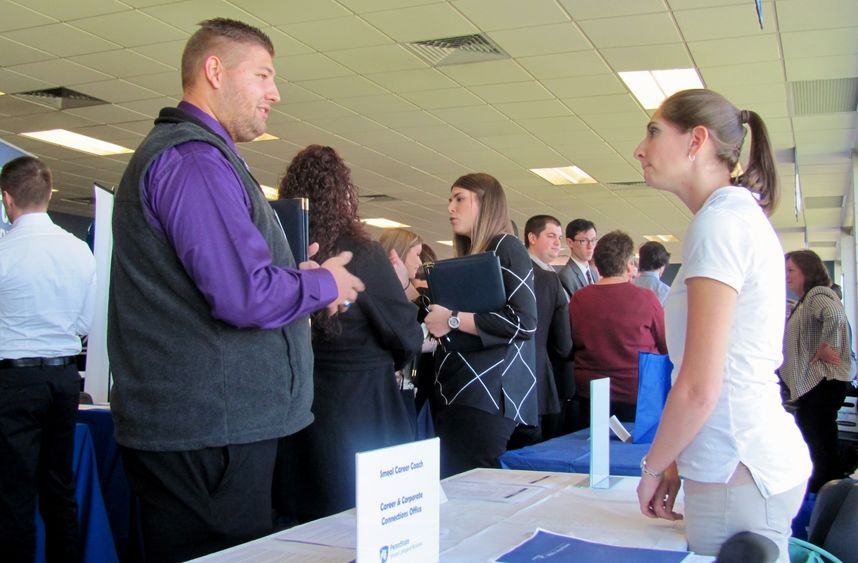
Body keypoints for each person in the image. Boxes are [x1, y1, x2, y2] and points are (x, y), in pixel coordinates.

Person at [107, 19, 364, 561]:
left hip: (210, 429)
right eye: (264, 74)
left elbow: (228, 283)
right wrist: (322, 282)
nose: (275, 92)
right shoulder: (192, 160)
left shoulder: (201, 157)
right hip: (205, 435)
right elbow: (243, 295)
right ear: (215, 71)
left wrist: (299, 281)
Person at [633, 89, 811, 561]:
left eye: (653, 132)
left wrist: (653, 466)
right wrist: (674, 457)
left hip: (736, 466)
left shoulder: (719, 224)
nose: (640, 148)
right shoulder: (732, 216)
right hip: (742, 459)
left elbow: (699, 385)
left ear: (696, 140)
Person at [274, 145, 422, 521]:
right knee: (367, 517)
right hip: (363, 402)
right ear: (345, 194)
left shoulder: (280, 248)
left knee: (305, 516)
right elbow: (403, 331)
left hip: (299, 398)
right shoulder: (362, 251)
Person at [0, 156, 97, 561]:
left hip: (10, 382)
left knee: (12, 495)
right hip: (62, 380)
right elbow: (84, 322)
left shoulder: (3, 251)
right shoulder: (78, 251)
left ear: (7, 200)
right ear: (49, 194)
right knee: (60, 490)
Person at [424, 173, 537, 477]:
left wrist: (452, 318)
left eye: (459, 198)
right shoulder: (477, 255)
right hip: (461, 392)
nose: (450, 207)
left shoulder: (507, 247)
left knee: (468, 493)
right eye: (450, 199)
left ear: (486, 203)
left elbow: (524, 322)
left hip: (485, 396)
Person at [569, 230, 666, 423]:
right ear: (628, 263)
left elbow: (572, 342)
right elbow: (664, 344)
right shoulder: (646, 299)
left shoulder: (579, 298)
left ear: (596, 263)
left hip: (591, 394)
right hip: (637, 394)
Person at [781, 249, 852, 493]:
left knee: (819, 443)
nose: (786, 275)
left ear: (807, 272)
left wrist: (826, 345)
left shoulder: (817, 294)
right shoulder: (806, 301)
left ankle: (825, 494)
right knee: (817, 440)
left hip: (820, 383)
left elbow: (834, 315)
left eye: (791, 270)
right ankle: (824, 492)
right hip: (813, 385)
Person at [522, 214, 572, 442]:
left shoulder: (504, 271)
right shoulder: (548, 280)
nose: (557, 243)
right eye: (551, 236)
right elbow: (562, 344)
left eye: (559, 238)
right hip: (536, 380)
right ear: (531, 237)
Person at [557, 218, 599, 297]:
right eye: (583, 241)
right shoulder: (565, 276)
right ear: (570, 242)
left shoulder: (593, 272)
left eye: (593, 240)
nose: (590, 246)